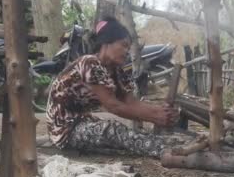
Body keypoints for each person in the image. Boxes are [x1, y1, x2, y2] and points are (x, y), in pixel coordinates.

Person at [46, 17, 179, 158]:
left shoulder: (117, 71)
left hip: (82, 121)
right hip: (64, 129)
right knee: (111, 130)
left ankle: (164, 146)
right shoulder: (89, 63)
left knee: (117, 135)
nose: (127, 51)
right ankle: (166, 151)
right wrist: (155, 117)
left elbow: (132, 102)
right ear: (106, 42)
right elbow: (113, 106)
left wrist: (160, 111)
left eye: (128, 47)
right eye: (123, 45)